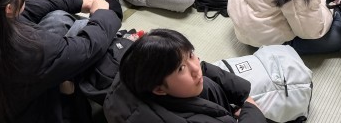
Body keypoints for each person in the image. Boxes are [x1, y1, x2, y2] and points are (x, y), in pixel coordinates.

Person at [103, 28, 266, 123]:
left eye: (191, 54)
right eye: (181, 68)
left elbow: (203, 67)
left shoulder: (134, 75)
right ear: (159, 89)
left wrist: (243, 94)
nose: (195, 67)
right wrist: (252, 109)